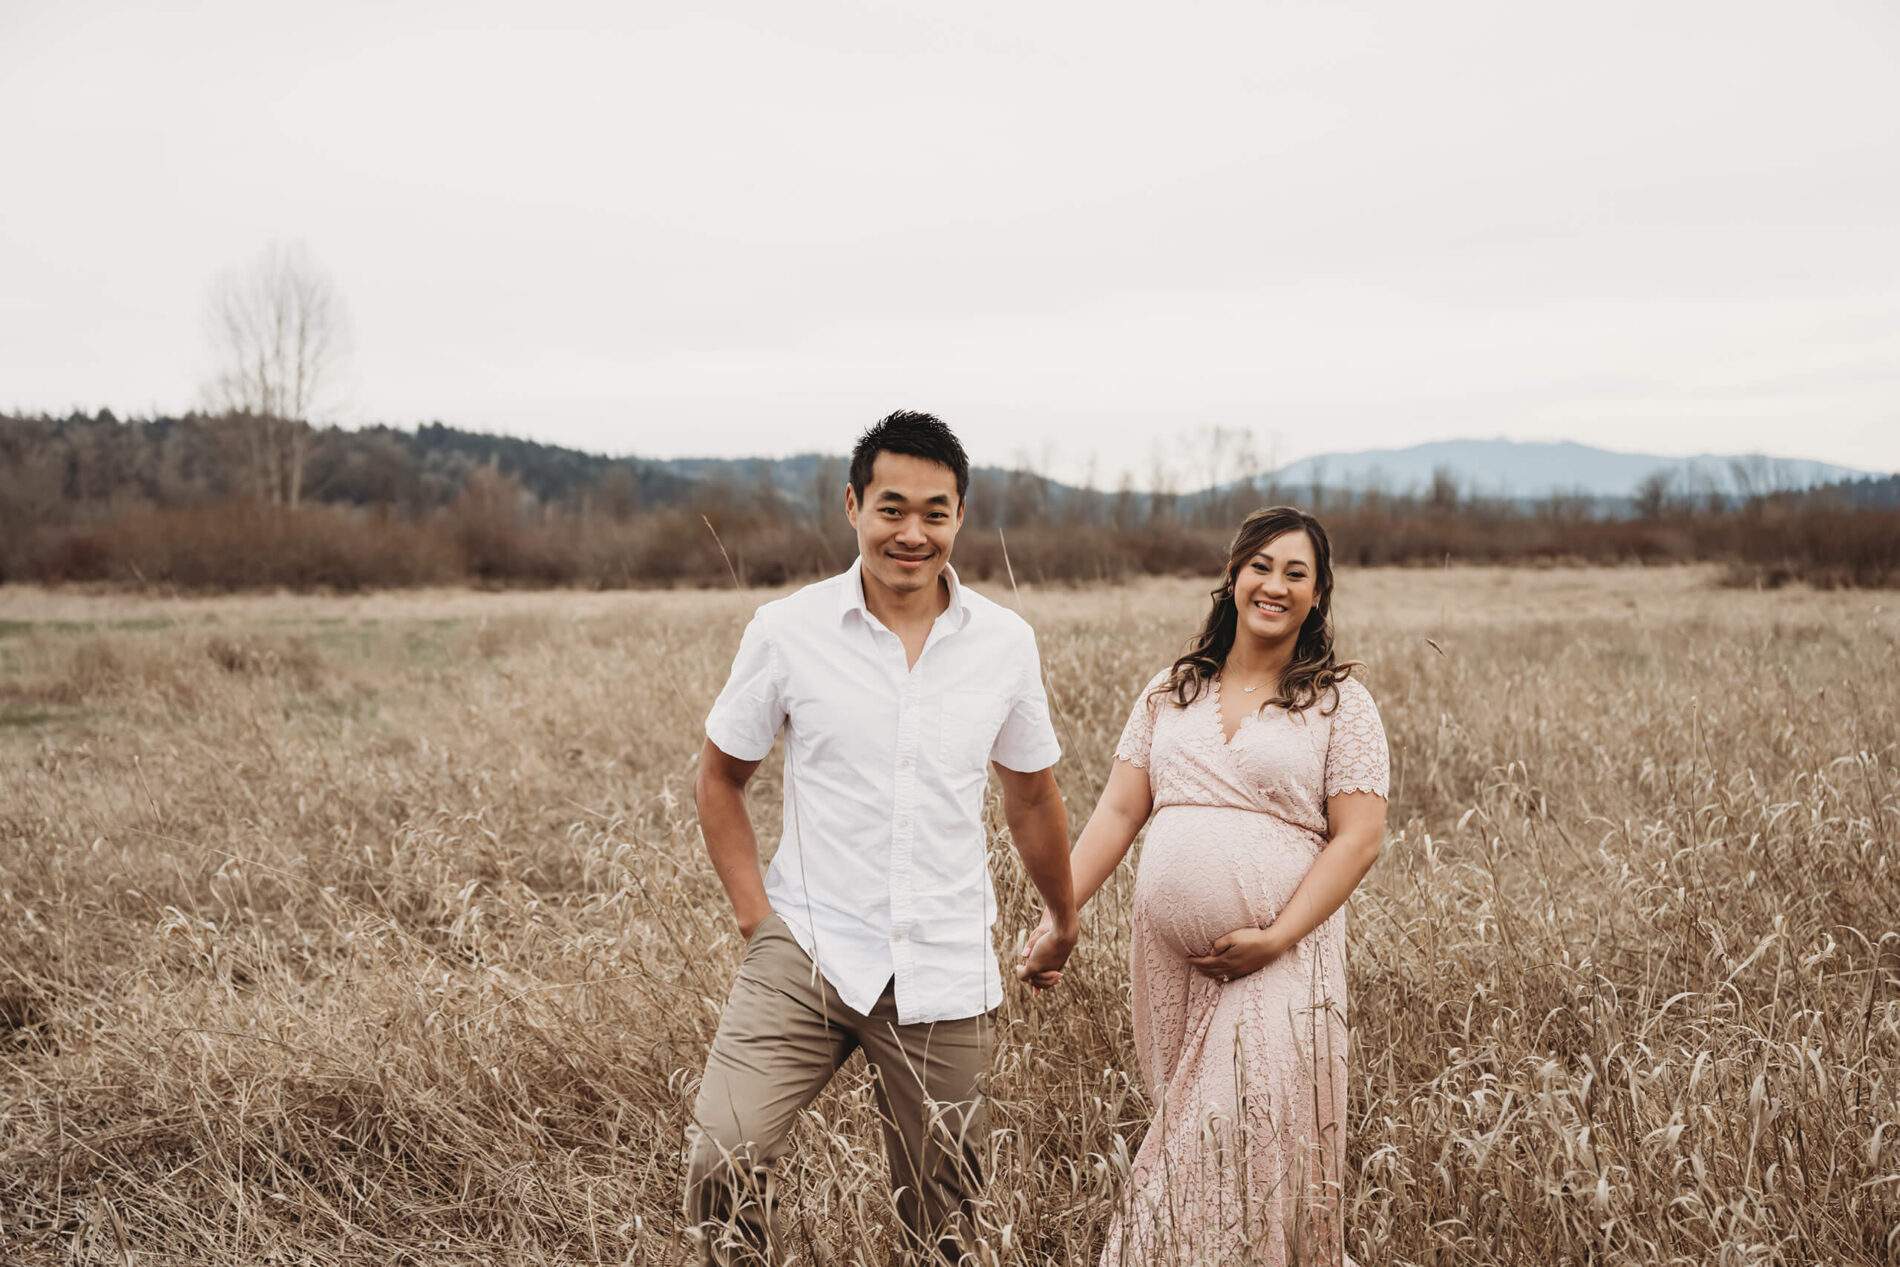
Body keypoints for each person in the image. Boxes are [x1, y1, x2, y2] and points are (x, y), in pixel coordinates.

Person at [685, 410, 1080, 1265]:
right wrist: (761, 925)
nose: (912, 532)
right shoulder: (785, 631)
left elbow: (1032, 798)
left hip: (943, 961)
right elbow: (721, 778)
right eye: (891, 508)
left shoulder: (1006, 645)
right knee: (722, 1159)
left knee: (944, 1222)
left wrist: (1063, 917)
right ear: (853, 505)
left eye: (935, 512)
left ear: (961, 518)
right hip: (809, 946)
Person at [1023, 506, 1389, 1266]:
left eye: (1297, 573)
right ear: (1233, 573)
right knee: (1217, 1140)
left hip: (1285, 960)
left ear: (1319, 595)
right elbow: (1119, 812)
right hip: (1176, 971)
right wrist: (1062, 913)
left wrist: (1276, 935)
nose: (1276, 585)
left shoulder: (1338, 702)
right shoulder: (1172, 690)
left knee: (1219, 1143)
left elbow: (1359, 839)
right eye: (1262, 565)